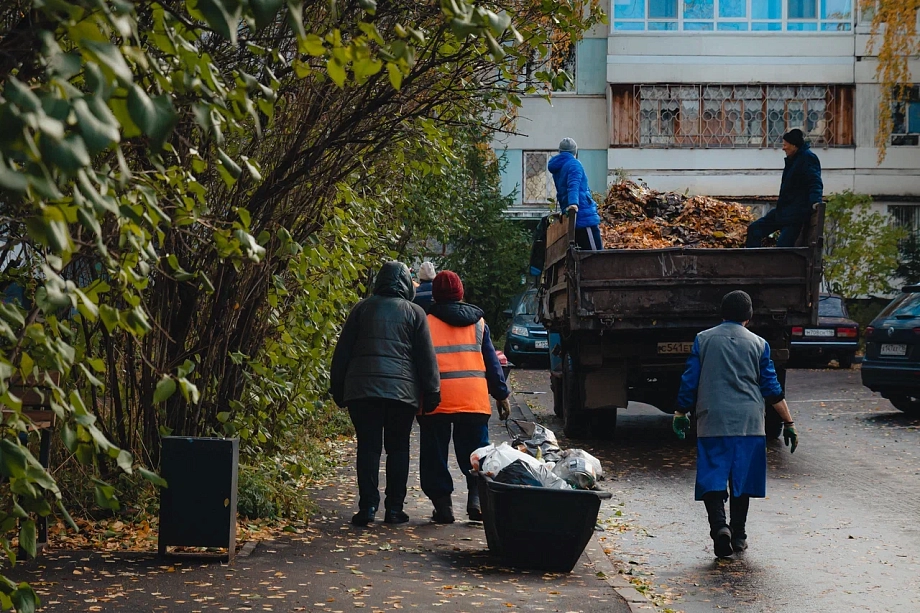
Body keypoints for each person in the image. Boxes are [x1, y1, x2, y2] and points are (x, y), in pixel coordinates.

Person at [672, 290, 799, 558]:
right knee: (742, 481)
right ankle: (739, 536)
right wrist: (788, 422)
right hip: (749, 423)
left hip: (713, 420)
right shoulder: (759, 344)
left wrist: (681, 411)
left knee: (712, 477)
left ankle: (720, 527)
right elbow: (772, 388)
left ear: (722, 313)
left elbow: (690, 379)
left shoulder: (703, 340)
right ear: (749, 317)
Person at [330, 261, 441, 527]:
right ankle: (394, 509)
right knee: (398, 448)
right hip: (400, 395)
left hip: (362, 392)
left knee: (368, 448)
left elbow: (342, 352)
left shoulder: (361, 309)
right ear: (405, 284)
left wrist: (338, 388)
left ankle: (367, 507)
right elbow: (426, 358)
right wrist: (432, 390)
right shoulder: (415, 313)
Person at [418, 270, 512, 523]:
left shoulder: (424, 322)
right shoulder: (478, 323)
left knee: (434, 454)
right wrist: (502, 395)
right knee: (477, 454)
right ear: (461, 293)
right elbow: (493, 364)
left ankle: (443, 507)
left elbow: (417, 363)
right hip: (473, 400)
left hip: (435, 401)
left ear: (435, 295)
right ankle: (476, 499)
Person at [746, 128, 823, 248]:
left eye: (785, 145)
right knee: (754, 229)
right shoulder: (794, 160)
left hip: (795, 216)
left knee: (782, 249)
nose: (783, 148)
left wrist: (815, 202)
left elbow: (815, 182)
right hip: (783, 212)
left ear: (794, 145)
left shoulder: (807, 158)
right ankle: (753, 262)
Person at [548, 137, 603, 250]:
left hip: (571, 218)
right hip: (583, 217)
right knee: (596, 254)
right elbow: (573, 186)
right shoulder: (574, 164)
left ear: (560, 151)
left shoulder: (559, 167)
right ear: (575, 152)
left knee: (582, 255)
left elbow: (563, 191)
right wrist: (574, 204)